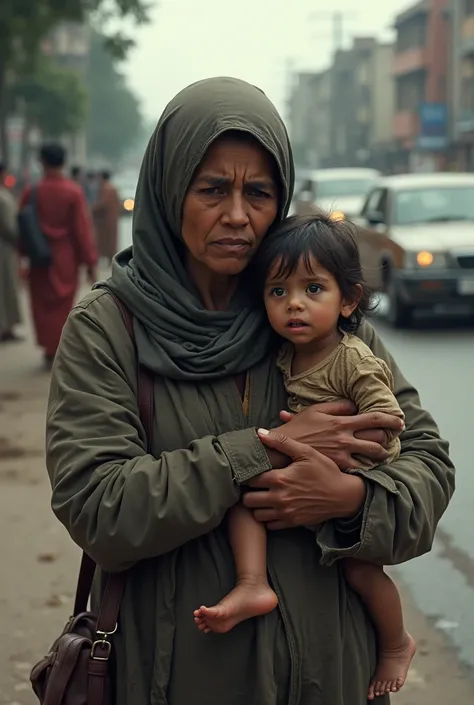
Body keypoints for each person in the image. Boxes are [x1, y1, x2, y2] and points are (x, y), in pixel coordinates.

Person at [46, 78, 454, 705]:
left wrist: (348, 499)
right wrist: (261, 452)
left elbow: (427, 467)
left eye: (258, 193)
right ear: (168, 189)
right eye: (213, 189)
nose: (238, 215)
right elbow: (99, 508)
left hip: (332, 675)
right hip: (174, 677)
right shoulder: (109, 328)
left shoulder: (322, 320)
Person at [195, 213, 414, 699]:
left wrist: (344, 466)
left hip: (354, 467)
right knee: (243, 497)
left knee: (360, 570)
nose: (294, 304)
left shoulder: (352, 357)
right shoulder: (284, 353)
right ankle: (253, 584)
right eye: (278, 292)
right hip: (300, 464)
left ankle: (397, 643)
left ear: (348, 300)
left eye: (313, 289)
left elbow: (390, 419)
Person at [19, 144, 97, 368]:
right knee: (64, 305)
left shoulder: (31, 192)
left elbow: (23, 228)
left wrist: (23, 257)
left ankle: (48, 349)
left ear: (42, 162)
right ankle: (61, 347)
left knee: (42, 306)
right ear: (63, 163)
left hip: (39, 257)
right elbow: (82, 231)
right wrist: (90, 262)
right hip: (65, 258)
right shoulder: (73, 192)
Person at [0, 162, 21, 342]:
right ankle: (6, 328)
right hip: (5, 250)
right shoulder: (4, 198)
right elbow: (10, 228)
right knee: (6, 288)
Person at [92, 170, 121, 266]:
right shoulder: (110, 188)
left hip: (106, 221)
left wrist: (91, 209)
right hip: (110, 220)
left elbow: (103, 204)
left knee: (107, 241)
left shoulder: (107, 188)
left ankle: (109, 260)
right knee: (110, 241)